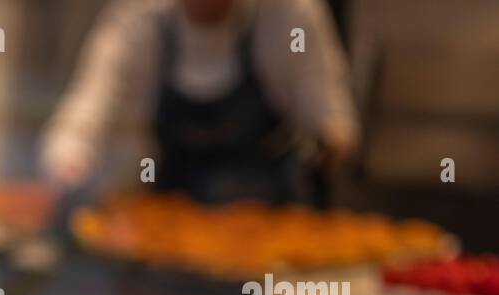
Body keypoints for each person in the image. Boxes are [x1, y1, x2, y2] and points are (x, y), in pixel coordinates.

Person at [40, 0, 359, 206]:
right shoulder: (140, 20)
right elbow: (88, 107)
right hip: (170, 220)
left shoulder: (288, 16)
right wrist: (68, 168)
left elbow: (330, 115)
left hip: (268, 224)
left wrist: (329, 141)